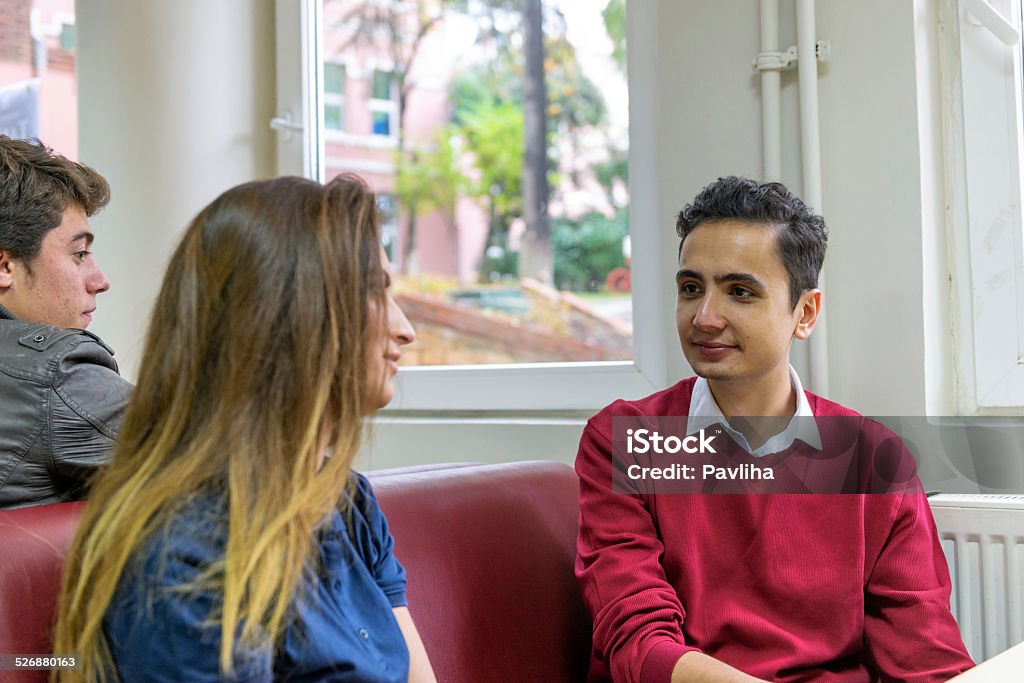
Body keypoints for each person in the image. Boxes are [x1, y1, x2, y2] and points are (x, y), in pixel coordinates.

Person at [575, 177, 974, 683]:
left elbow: (926, 661)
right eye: (691, 288)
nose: (704, 317)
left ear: (804, 313)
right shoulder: (623, 438)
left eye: (739, 292)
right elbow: (637, 645)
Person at [54, 174, 436, 683]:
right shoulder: (181, 554)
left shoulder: (349, 501)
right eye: (374, 292)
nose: (404, 329)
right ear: (290, 316)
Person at [0, 136, 132, 509]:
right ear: (5, 266)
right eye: (79, 254)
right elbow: (224, 464)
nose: (99, 280)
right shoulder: (56, 375)